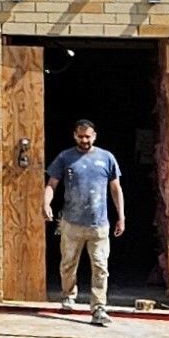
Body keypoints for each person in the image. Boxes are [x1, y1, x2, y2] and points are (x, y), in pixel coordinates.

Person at [42, 117, 125, 324]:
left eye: (88, 136)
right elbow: (52, 184)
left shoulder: (106, 158)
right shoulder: (65, 158)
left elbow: (116, 189)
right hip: (71, 223)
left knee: (100, 266)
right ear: (74, 136)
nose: (84, 140)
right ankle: (68, 296)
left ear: (94, 136)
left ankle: (98, 307)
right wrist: (46, 204)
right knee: (68, 264)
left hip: (99, 225)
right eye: (81, 136)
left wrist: (121, 217)